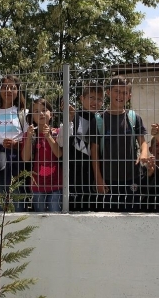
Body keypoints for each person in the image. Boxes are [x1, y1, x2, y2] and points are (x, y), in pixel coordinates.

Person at [91, 76, 149, 211]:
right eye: (117, 91)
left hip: (132, 178)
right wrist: (98, 179)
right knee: (108, 218)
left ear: (129, 96)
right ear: (108, 92)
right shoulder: (99, 120)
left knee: (132, 217)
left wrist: (144, 152)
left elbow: (143, 142)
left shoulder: (134, 118)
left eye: (124, 92)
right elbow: (94, 152)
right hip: (108, 179)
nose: (120, 95)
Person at [0, 75, 29, 210]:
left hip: (17, 164)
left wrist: (15, 144)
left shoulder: (24, 114)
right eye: (4, 87)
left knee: (18, 203)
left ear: (18, 91)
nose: (8, 90)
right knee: (0, 203)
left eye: (12, 87)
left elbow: (30, 141)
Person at [63, 83, 104, 211]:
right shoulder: (73, 116)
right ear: (82, 98)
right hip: (73, 174)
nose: (95, 102)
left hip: (93, 174)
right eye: (91, 97)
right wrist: (69, 119)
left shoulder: (101, 119)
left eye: (99, 99)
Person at [22, 97, 64, 212]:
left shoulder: (57, 133)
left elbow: (59, 154)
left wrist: (48, 136)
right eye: (36, 111)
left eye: (44, 110)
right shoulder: (29, 135)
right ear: (32, 116)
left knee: (55, 214)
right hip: (37, 186)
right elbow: (25, 158)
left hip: (56, 184)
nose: (41, 113)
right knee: (39, 217)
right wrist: (29, 137)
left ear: (51, 114)